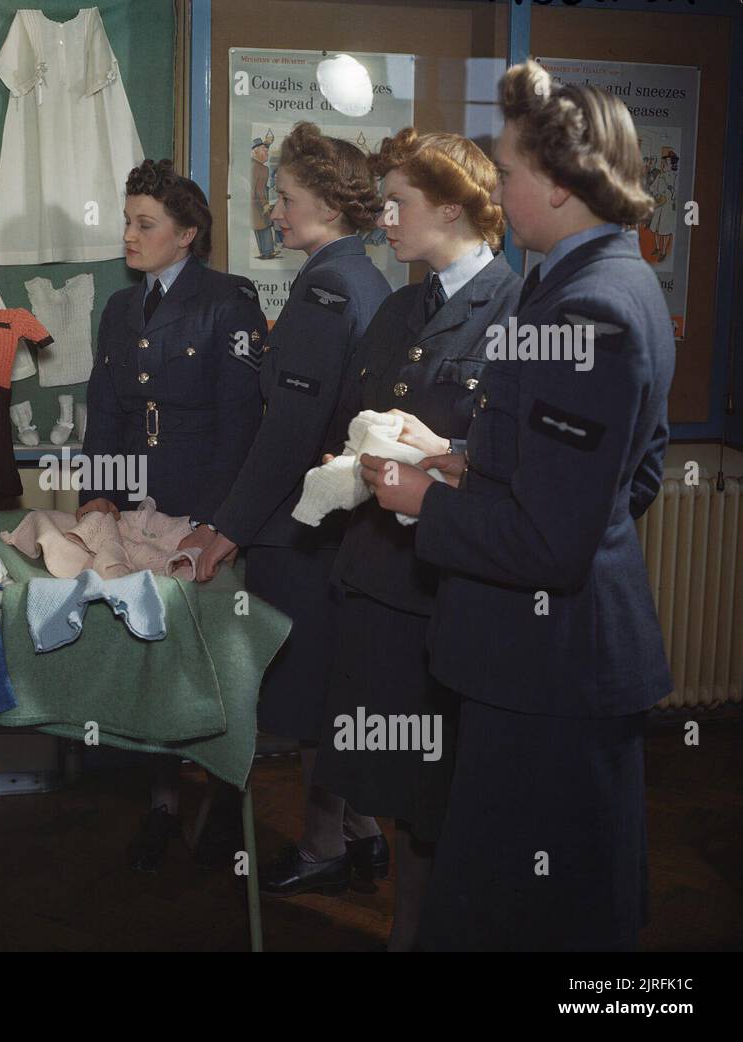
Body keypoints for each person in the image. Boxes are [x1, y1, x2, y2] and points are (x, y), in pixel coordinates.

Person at [364, 60, 673, 951]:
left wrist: (424, 499)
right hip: (541, 660)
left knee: (532, 914)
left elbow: (552, 540)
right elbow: (627, 476)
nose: (496, 186)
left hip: (550, 674)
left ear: (564, 183)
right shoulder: (590, 281)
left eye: (507, 171)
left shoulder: (593, 308)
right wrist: (461, 462)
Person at [310, 129, 520, 949]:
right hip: (378, 579)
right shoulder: (403, 305)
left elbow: (508, 467)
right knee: (399, 782)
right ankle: (409, 931)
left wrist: (435, 463)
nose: (384, 216)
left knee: (448, 791)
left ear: (454, 207)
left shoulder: (516, 312)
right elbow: (354, 418)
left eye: (399, 201)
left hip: (449, 587)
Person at [194, 122, 392, 895]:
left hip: (303, 532)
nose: (274, 211)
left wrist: (226, 529)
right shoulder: (367, 278)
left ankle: (321, 849)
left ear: (333, 206)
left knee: (309, 695)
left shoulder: (324, 286)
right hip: (343, 526)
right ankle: (361, 833)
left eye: (287, 197)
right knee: (334, 686)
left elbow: (287, 435)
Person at [78, 157, 265, 870]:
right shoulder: (121, 309)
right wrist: (97, 492)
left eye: (144, 224)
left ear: (186, 234)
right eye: (127, 221)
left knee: (211, 661)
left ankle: (223, 800)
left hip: (203, 508)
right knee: (149, 652)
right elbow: (105, 411)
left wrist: (214, 522)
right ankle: (161, 803)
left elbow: (241, 425)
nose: (128, 235)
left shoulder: (229, 301)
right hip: (134, 504)